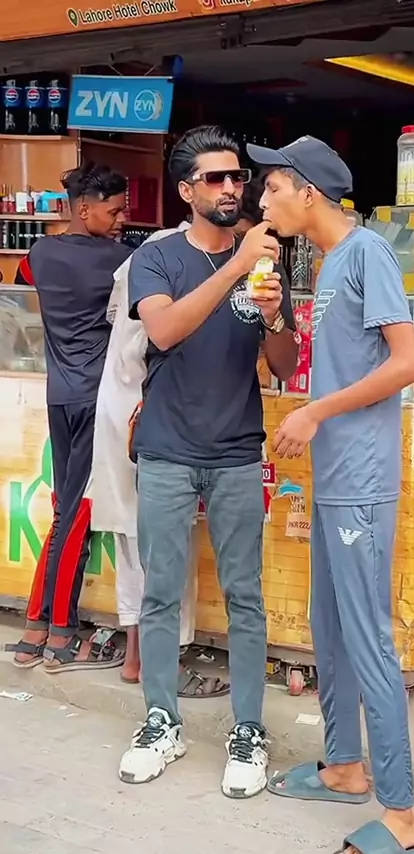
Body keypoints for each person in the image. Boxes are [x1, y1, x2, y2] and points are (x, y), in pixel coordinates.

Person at [247, 137, 414, 854]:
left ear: (309, 193)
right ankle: (345, 766)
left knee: (367, 638)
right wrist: (275, 319)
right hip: (332, 479)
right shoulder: (328, 265)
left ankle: (403, 815)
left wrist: (315, 413)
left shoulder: (367, 254)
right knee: (329, 629)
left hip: (360, 481)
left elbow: (408, 363)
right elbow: (334, 364)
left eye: (272, 188)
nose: (262, 201)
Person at [119, 124, 298, 795]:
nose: (231, 188)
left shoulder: (267, 262)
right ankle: (161, 721)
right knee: (162, 591)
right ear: (186, 191)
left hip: (236, 451)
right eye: (215, 178)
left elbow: (284, 365)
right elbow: (164, 329)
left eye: (236, 177)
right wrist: (235, 267)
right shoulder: (158, 258)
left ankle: (248, 729)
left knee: (245, 596)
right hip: (167, 447)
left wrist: (274, 317)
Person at [90, 219, 228, 697]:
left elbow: (117, 319)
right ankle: (162, 663)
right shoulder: (175, 257)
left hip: (123, 407)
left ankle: (136, 655)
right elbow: (165, 335)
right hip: (149, 413)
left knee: (137, 541)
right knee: (168, 543)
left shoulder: (145, 254)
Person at [8, 163, 132, 673]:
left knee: (66, 510)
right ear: (84, 208)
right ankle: (57, 631)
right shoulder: (121, 261)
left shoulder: (40, 253)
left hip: (60, 396)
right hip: (97, 400)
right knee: (75, 514)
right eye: (115, 210)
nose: (122, 219)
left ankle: (37, 629)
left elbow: (21, 288)